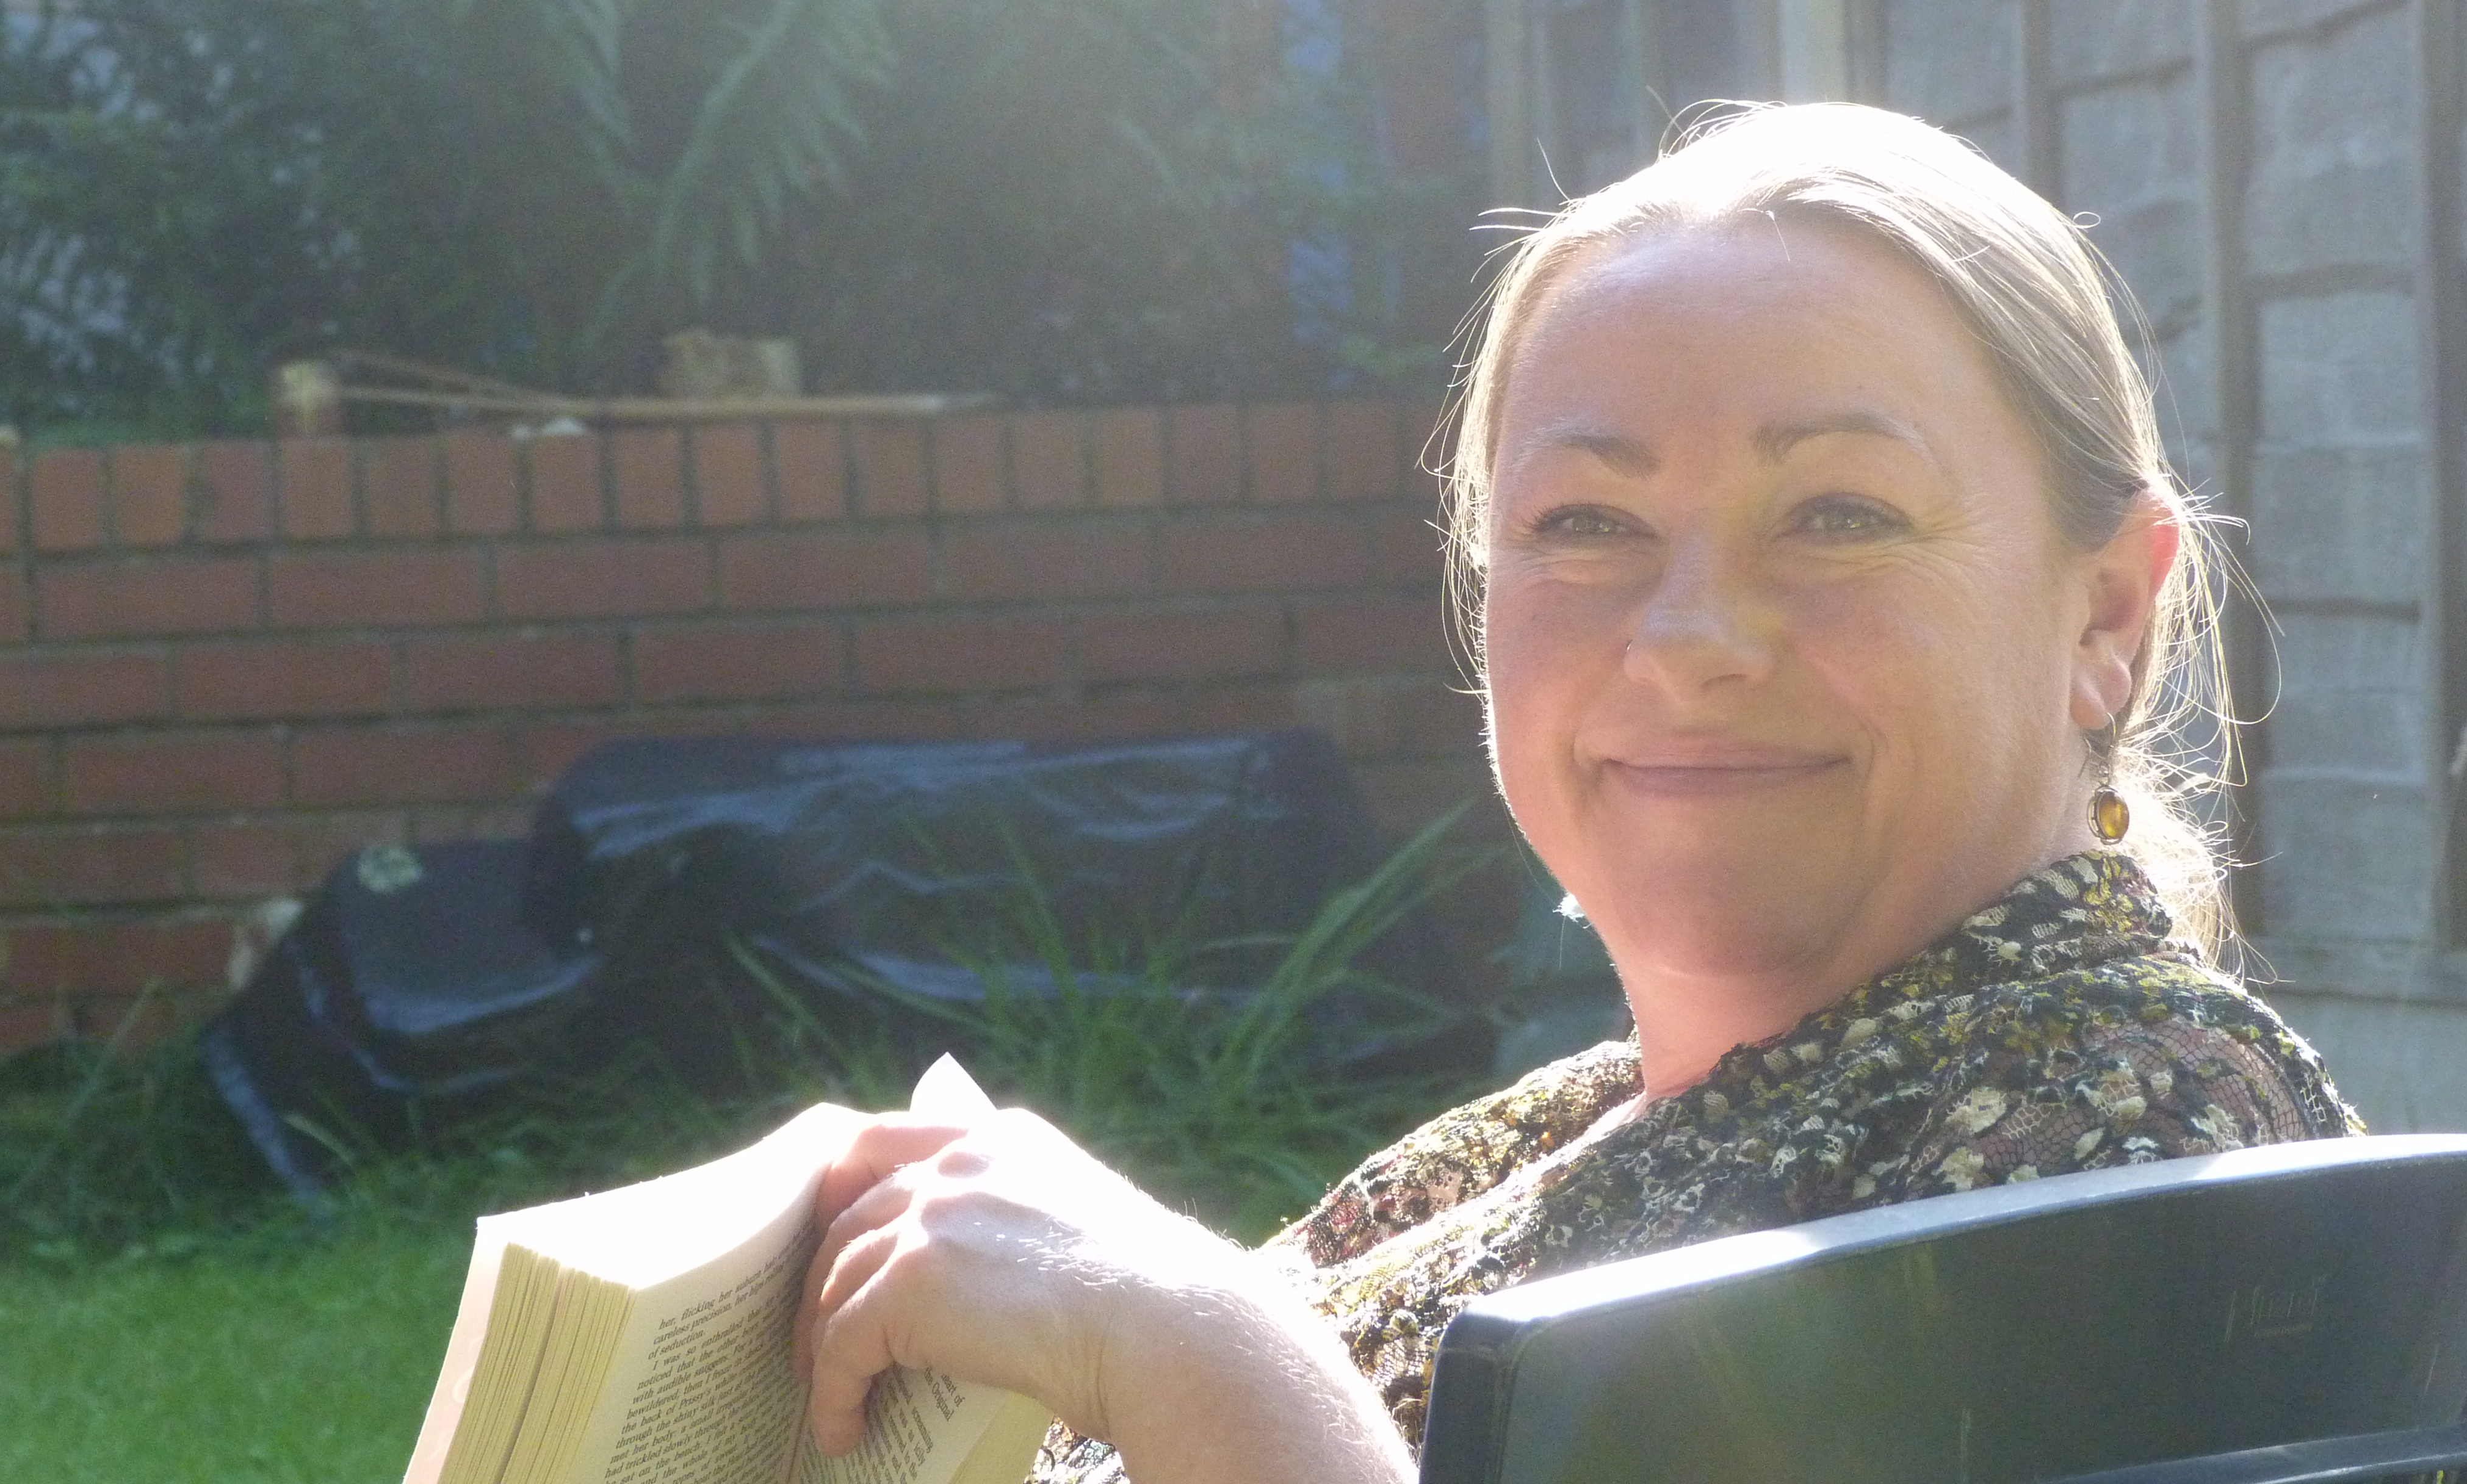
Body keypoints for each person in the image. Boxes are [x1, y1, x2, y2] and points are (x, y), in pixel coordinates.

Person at [787, 102, 2360, 1484]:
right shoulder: (1584, 1132)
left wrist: (1175, 1334)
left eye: (1838, 513)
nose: (1685, 639)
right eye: (1587, 523)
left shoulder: (2128, 1149)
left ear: (2104, 615)